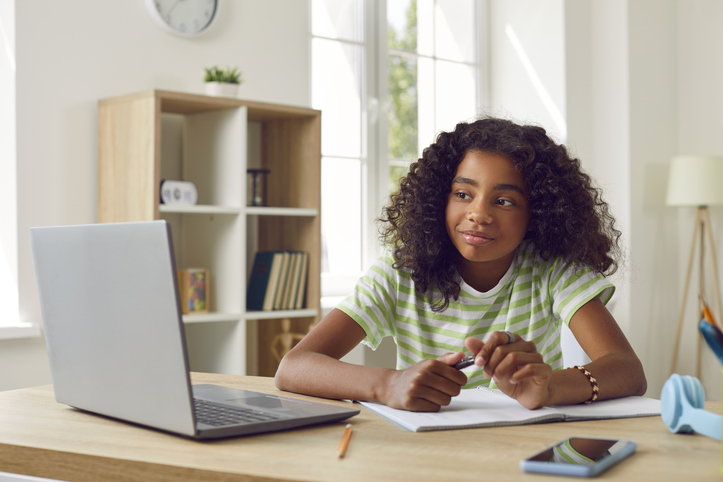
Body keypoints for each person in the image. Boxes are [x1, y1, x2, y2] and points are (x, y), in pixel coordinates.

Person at [275, 117, 646, 412]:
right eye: (463, 194)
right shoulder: (401, 272)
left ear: (538, 214)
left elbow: (626, 368)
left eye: (504, 201)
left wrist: (549, 387)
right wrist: (389, 384)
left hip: (529, 452)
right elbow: (294, 366)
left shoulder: (552, 270)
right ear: (440, 199)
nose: (479, 214)